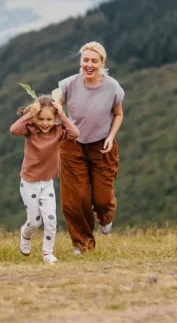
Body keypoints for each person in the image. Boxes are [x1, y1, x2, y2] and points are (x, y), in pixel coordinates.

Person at [56, 42, 124, 254]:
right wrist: (57, 106)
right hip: (73, 144)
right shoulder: (69, 84)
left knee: (103, 198)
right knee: (76, 198)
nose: (89, 64)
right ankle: (82, 244)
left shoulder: (112, 87)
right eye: (86, 60)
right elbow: (57, 99)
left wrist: (111, 137)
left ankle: (105, 216)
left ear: (102, 63)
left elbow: (118, 114)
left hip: (102, 145)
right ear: (81, 62)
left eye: (94, 61)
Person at [10, 92, 80, 264]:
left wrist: (62, 114)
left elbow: (75, 133)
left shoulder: (58, 131)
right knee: (34, 221)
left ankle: (47, 253)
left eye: (49, 119)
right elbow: (13, 130)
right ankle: (25, 234)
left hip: (47, 183)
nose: (45, 123)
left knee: (51, 220)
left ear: (55, 119)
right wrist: (30, 114)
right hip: (29, 183)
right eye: (41, 119)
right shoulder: (30, 130)